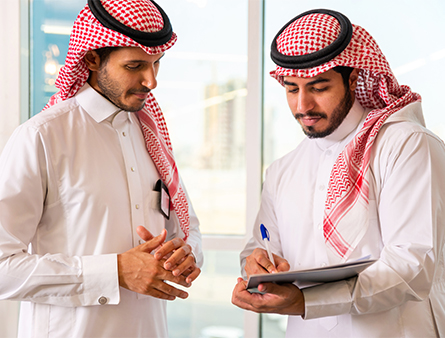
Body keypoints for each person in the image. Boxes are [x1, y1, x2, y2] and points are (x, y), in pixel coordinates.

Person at [232, 8, 445, 337]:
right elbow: (258, 245)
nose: (302, 106)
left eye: (318, 87)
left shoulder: (406, 144)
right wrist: (254, 264)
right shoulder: (282, 170)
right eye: (291, 89)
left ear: (354, 79)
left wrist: (305, 302)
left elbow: (412, 266)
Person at [0, 0, 203, 337]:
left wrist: (187, 253)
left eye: (156, 64)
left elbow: (188, 229)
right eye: (135, 65)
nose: (151, 81)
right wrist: (116, 271)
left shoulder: (151, 135)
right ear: (92, 58)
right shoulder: (42, 137)